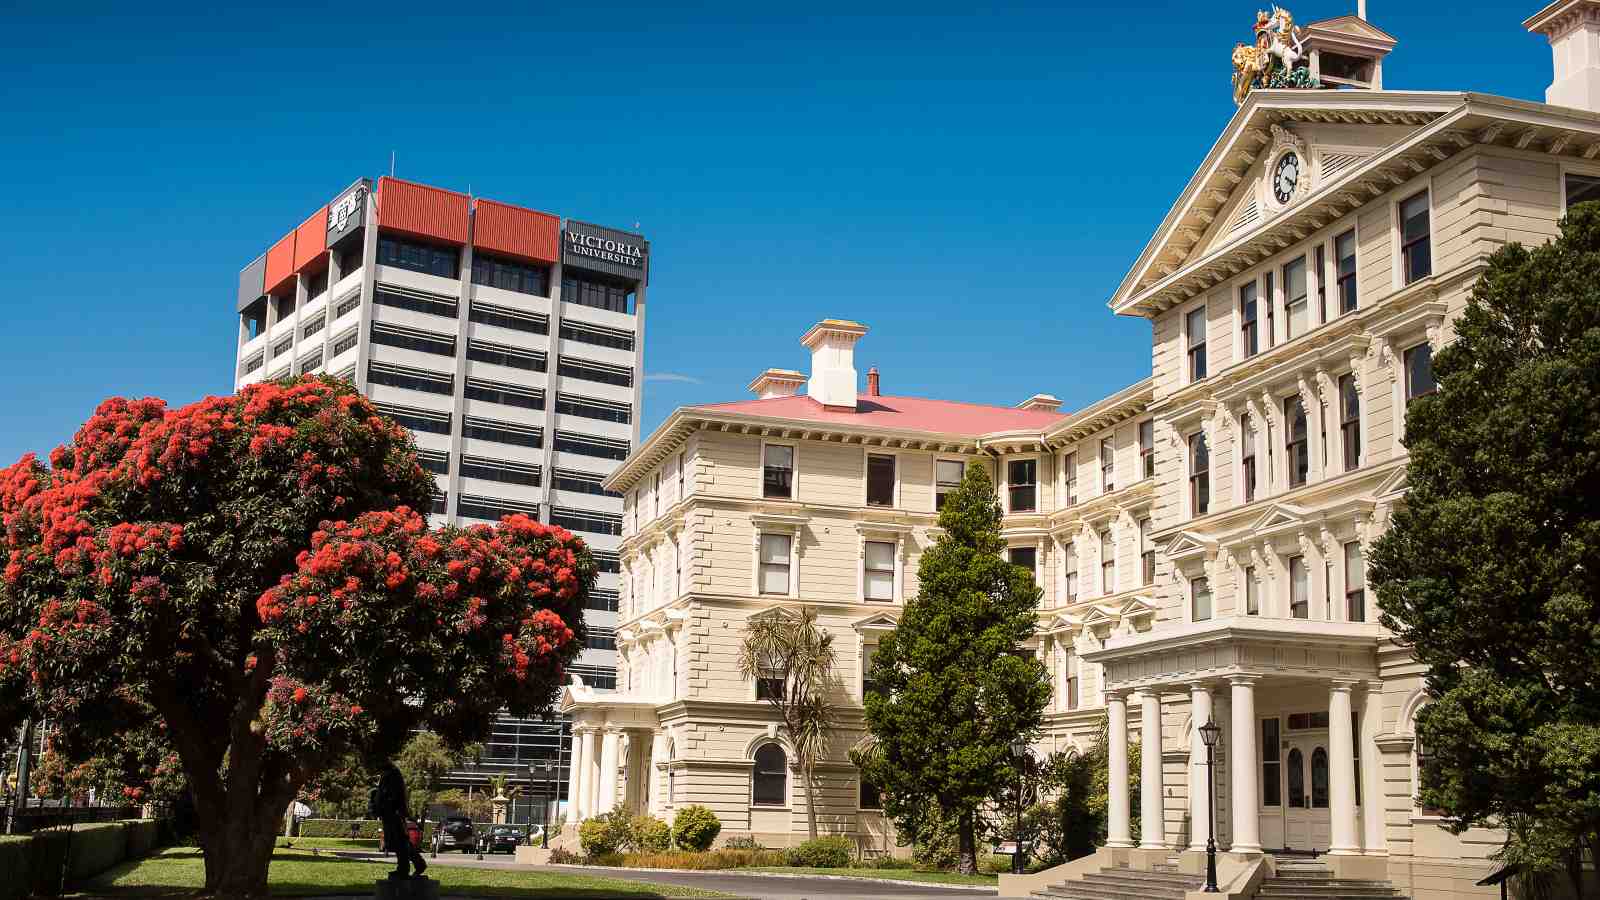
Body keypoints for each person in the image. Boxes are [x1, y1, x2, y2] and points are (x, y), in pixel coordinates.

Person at [375, 761, 427, 880]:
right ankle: (418, 864)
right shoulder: (390, 774)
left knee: (399, 842)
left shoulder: (391, 774)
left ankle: (404, 868)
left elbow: (391, 795)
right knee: (400, 841)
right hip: (391, 813)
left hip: (393, 813)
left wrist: (384, 805)